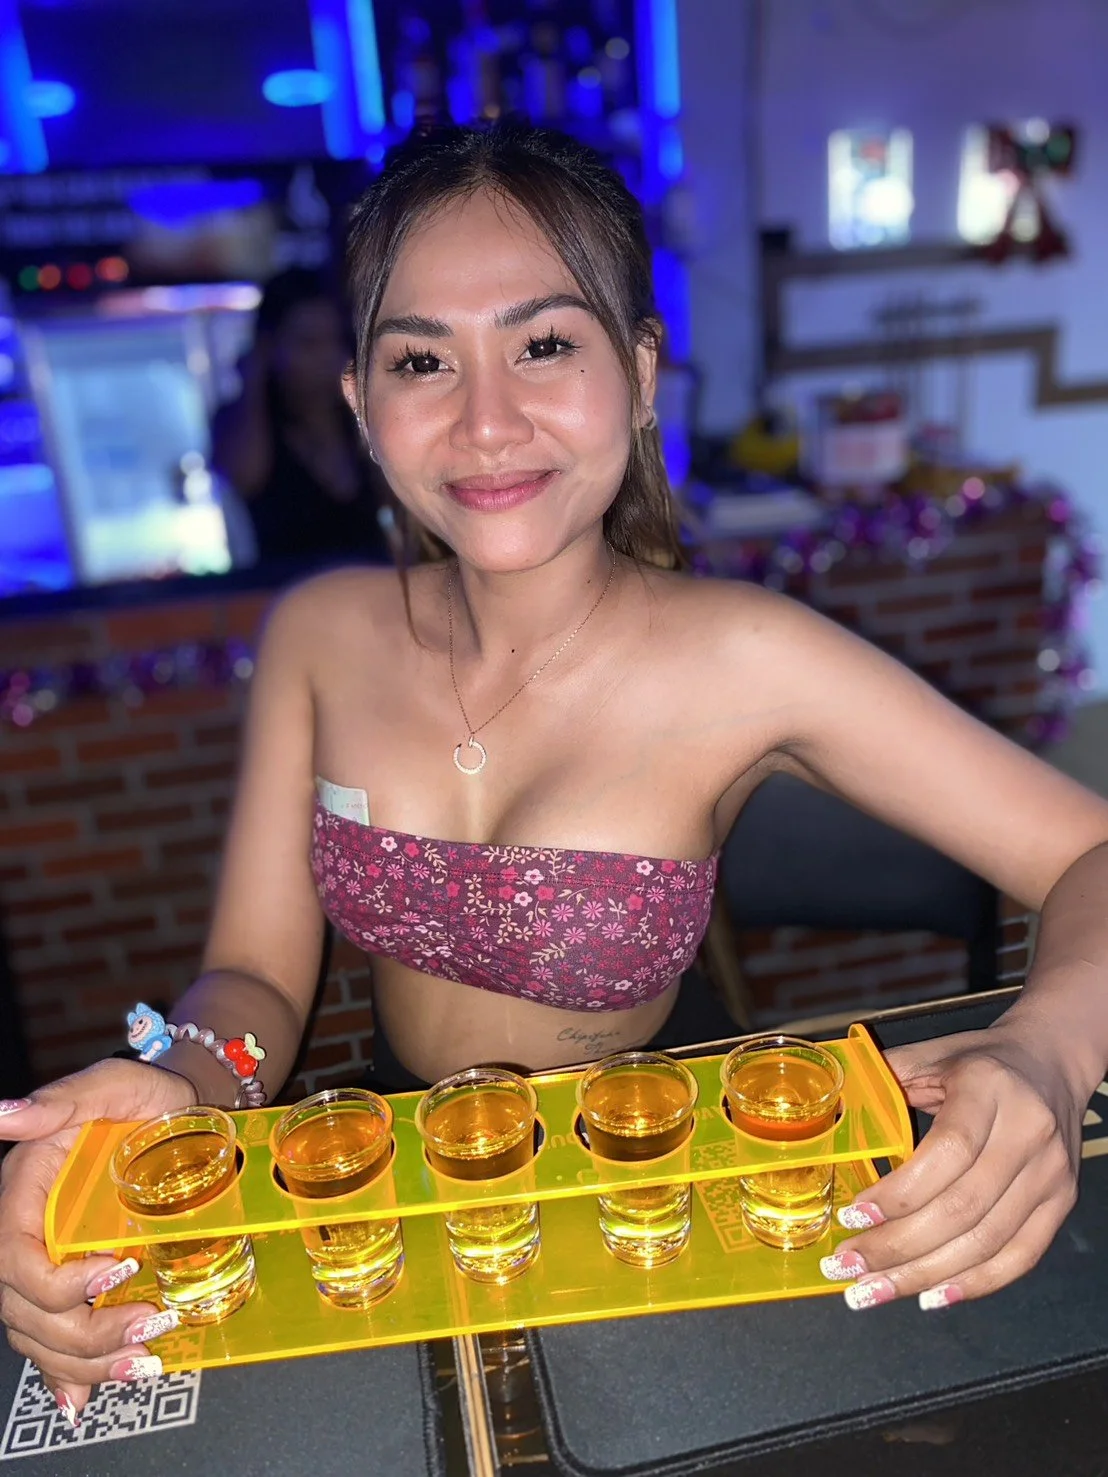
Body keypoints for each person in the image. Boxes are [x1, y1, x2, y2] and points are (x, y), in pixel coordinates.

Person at [2, 121, 1107, 1423]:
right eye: (423, 359)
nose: (485, 419)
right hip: (406, 1173)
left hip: (658, 1169)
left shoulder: (750, 655)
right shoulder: (319, 633)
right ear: (362, 403)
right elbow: (252, 978)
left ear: (639, 373)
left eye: (543, 344)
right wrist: (187, 1081)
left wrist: (1047, 1050)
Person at [210, 265, 393, 566]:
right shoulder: (244, 420)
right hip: (286, 598)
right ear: (269, 346)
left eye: (336, 342)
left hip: (376, 594)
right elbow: (243, 476)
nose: (329, 359)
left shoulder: (362, 416)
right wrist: (253, 379)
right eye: (309, 344)